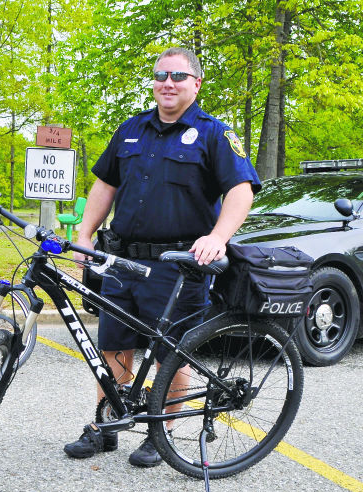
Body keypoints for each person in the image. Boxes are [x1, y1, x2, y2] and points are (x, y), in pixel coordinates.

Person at [65, 47, 260, 467]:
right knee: (114, 345)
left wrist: (218, 237)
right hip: (121, 259)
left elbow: (241, 191)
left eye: (178, 75)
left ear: (196, 83)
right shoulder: (131, 129)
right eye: (160, 75)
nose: (168, 82)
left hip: (178, 265)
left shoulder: (214, 134)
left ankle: (161, 431)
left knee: (172, 352)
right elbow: (104, 186)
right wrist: (84, 235)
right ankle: (108, 425)